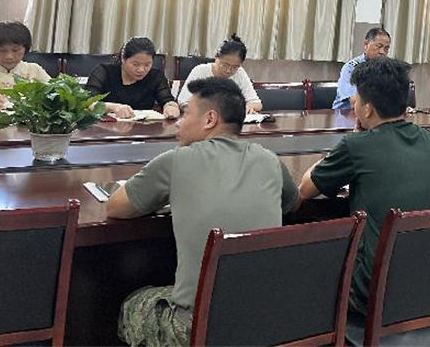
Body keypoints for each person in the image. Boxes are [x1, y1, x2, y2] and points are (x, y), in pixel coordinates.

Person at [108, 76, 298, 346]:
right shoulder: (270, 160)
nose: (179, 122)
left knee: (132, 303)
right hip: (266, 321)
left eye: (186, 114)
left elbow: (116, 207)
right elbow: (292, 204)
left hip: (201, 327)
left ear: (210, 119)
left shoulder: (177, 160)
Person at [299, 57, 430, 313]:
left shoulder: (356, 146)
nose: (353, 102)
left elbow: (305, 189)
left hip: (375, 293)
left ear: (368, 109)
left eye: (356, 98)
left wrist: (349, 143)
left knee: (309, 266)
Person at [87, 37, 179, 119]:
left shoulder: (156, 76)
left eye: (147, 64)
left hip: (143, 129)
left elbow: (167, 99)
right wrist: (113, 107)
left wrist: (171, 107)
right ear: (123, 59)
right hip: (106, 128)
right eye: (135, 64)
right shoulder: (104, 72)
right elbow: (87, 104)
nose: (141, 70)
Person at [176, 34, 261, 114]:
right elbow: (183, 101)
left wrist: (249, 106)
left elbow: (257, 103)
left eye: (234, 67)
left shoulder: (240, 73)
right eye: (225, 65)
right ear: (216, 58)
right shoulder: (200, 71)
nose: (228, 71)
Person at [332, 27, 391, 110]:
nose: (382, 52)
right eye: (378, 46)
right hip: (345, 113)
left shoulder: (387, 68)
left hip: (374, 113)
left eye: (386, 49)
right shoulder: (351, 67)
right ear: (366, 44)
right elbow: (354, 100)